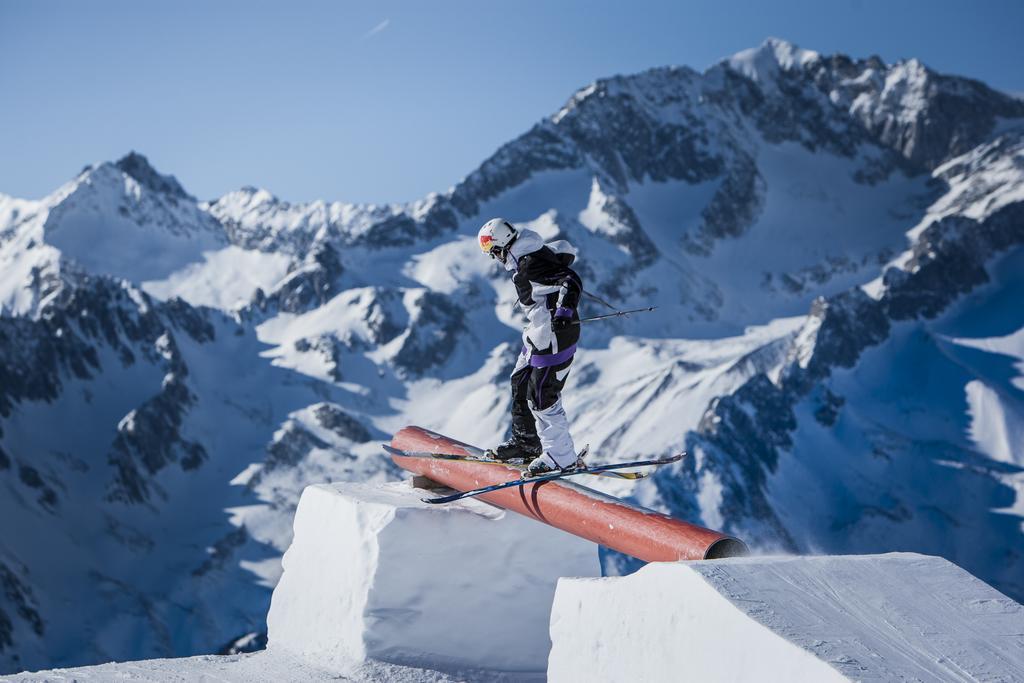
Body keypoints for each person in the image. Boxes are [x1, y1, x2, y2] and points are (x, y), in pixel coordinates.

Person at [477, 217, 584, 475]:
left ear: (503, 245)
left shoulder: (530, 263)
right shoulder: (529, 253)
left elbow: (571, 280)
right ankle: (527, 443)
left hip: (554, 336)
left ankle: (562, 457)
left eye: (493, 251)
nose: (495, 258)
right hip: (538, 333)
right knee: (520, 381)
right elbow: (562, 251)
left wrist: (564, 312)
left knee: (542, 395)